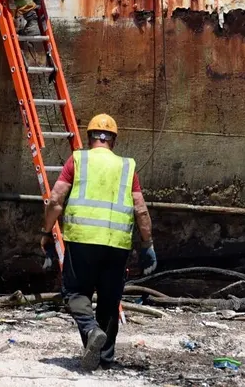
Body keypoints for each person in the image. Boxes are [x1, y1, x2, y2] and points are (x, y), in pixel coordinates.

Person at [40, 114, 157, 371]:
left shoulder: (78, 160)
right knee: (109, 299)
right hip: (117, 245)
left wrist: (47, 232)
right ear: (113, 140)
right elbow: (141, 210)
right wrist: (147, 245)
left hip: (82, 241)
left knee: (75, 292)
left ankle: (92, 331)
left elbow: (56, 199)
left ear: (89, 137)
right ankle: (104, 359)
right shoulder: (127, 166)